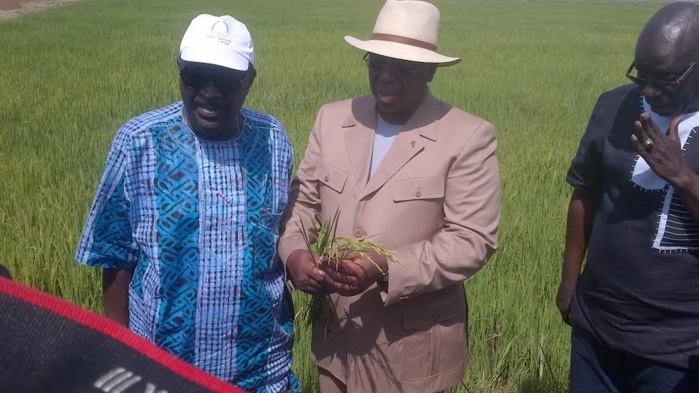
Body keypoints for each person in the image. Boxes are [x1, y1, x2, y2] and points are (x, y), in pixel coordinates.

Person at [278, 1, 500, 392]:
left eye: (404, 68)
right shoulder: (333, 119)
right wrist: (294, 252)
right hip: (336, 343)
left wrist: (385, 266)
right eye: (376, 62)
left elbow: (472, 240)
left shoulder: (467, 136)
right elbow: (304, 203)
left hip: (411, 351)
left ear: (431, 70)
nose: (385, 76)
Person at [75, 14, 299, 392]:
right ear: (179, 73)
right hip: (163, 372)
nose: (209, 92)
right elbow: (114, 256)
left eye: (226, 81)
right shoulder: (139, 141)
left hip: (262, 372)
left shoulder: (273, 141)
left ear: (249, 82)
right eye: (194, 76)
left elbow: (279, 240)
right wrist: (120, 356)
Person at [556, 2, 699, 392]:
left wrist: (685, 179)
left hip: (677, 345)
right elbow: (585, 192)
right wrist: (570, 282)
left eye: (665, 79)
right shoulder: (614, 105)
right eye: (642, 75)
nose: (650, 91)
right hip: (596, 326)